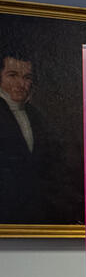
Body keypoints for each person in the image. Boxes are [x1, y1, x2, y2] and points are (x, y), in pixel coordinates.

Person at [0, 51, 60, 223]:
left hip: (35, 210)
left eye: (26, 77)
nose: (20, 83)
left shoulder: (36, 116)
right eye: (12, 75)